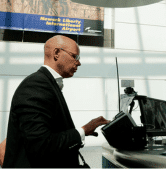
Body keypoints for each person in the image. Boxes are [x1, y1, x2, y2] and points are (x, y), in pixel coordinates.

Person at [2, 35, 110, 168]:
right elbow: (41, 146)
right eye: (75, 56)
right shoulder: (36, 85)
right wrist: (82, 131)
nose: (79, 63)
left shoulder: (46, 84)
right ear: (57, 53)